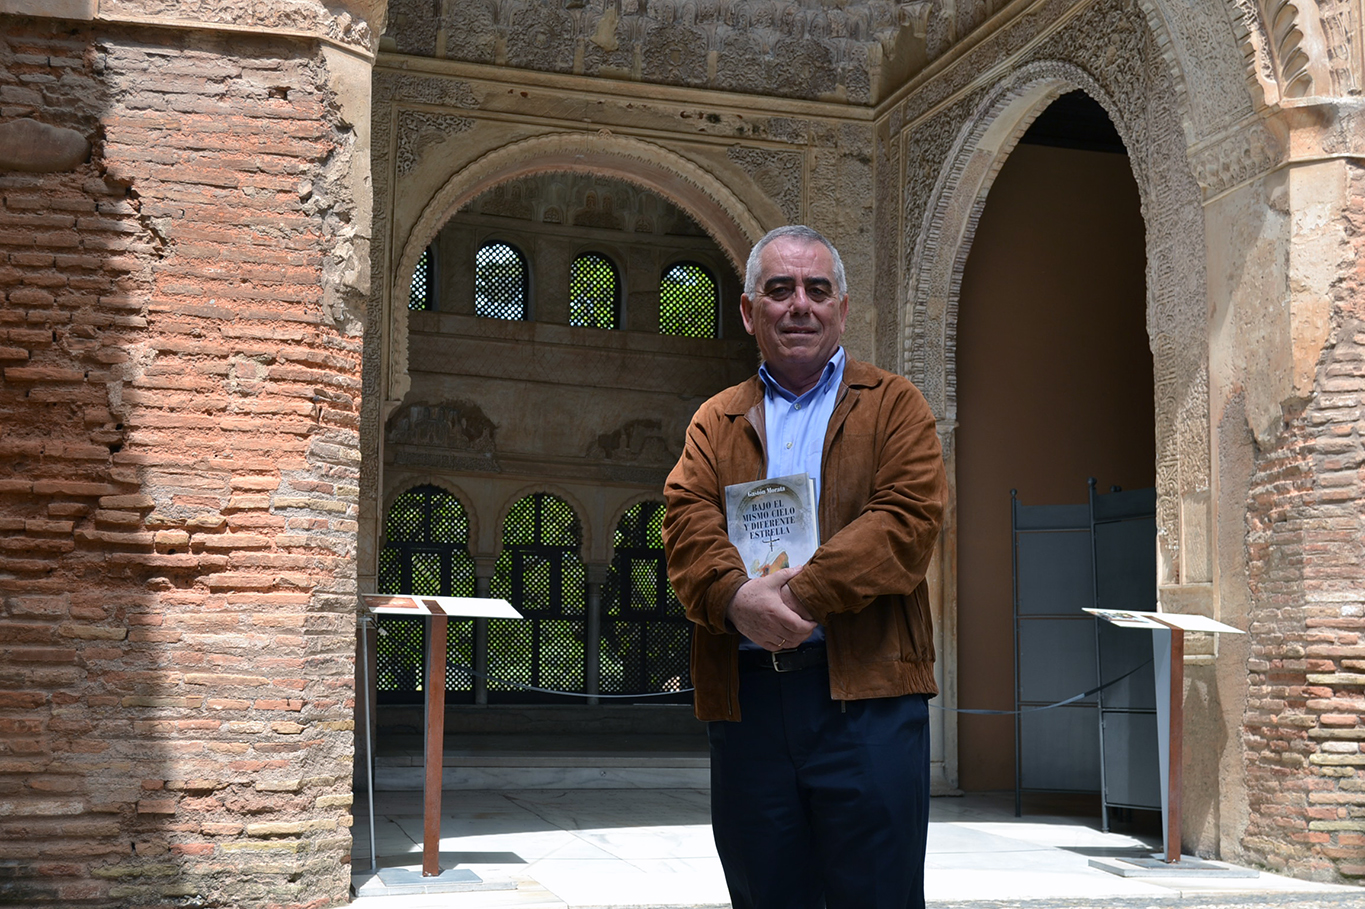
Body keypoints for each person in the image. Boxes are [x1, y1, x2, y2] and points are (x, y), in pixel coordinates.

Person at [661, 225, 948, 909]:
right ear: (748, 310)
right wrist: (734, 597)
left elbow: (905, 519)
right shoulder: (715, 420)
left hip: (868, 700)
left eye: (817, 290)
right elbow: (685, 521)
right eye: (780, 289)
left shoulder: (893, 405)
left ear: (841, 309)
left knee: (877, 894)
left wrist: (793, 599)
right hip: (749, 701)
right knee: (766, 893)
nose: (799, 305)